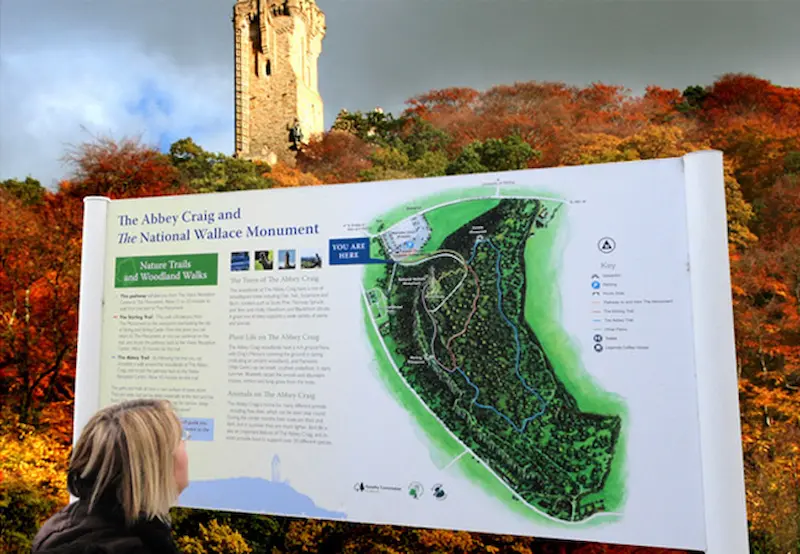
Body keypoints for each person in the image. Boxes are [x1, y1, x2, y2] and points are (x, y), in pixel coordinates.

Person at [31, 399, 190, 554]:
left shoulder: (69, 525)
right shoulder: (129, 545)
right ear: (154, 463)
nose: (186, 445)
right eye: (181, 438)